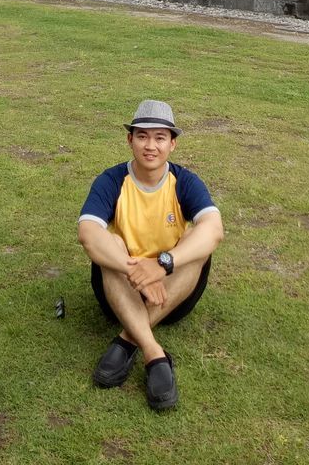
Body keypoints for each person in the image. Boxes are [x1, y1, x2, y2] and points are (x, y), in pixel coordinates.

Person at [77, 99, 224, 411]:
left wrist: (162, 265)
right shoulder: (112, 180)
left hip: (170, 297)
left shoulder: (184, 182)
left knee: (196, 244)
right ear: (130, 140)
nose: (150, 146)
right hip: (121, 293)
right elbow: (87, 235)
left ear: (172, 144)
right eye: (142, 136)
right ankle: (154, 353)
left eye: (160, 138)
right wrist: (138, 275)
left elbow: (214, 230)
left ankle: (127, 340)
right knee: (110, 245)